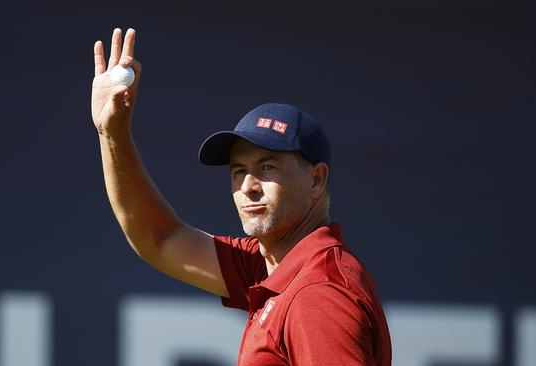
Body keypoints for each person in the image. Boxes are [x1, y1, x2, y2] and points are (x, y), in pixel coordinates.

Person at [91, 28, 392, 366]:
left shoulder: (317, 294)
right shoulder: (269, 265)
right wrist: (111, 132)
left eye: (267, 167)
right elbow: (159, 238)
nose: (248, 185)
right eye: (238, 171)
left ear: (316, 179)